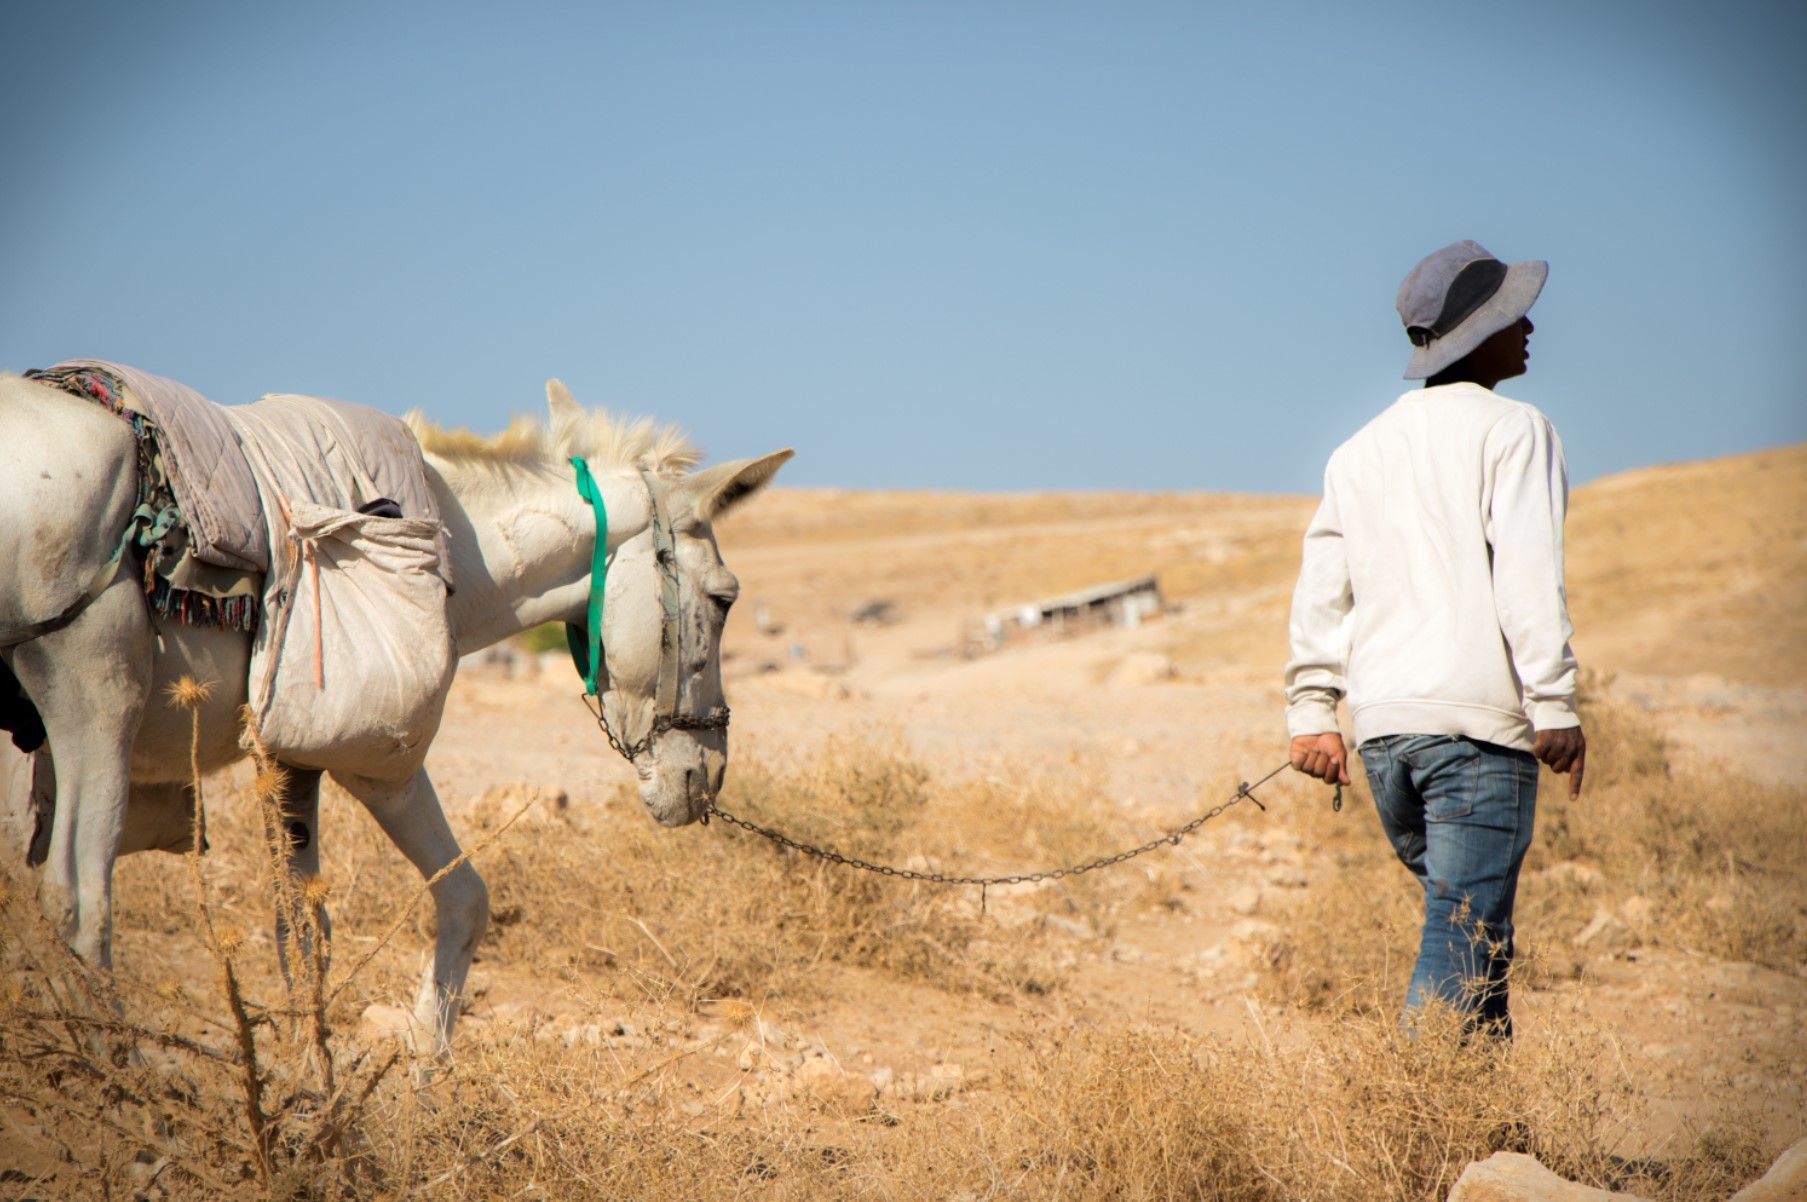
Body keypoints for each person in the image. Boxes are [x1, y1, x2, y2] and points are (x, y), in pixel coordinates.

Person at [1283, 240, 1586, 1038]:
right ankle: (1413, 1110)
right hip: (1472, 734)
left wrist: (1311, 711)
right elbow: (1526, 573)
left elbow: (1321, 588)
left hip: (1384, 738)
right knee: (1462, 935)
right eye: (1509, 315)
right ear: (1474, 333)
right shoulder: (1514, 429)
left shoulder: (1357, 450)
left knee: (1476, 935)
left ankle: (1483, 1146)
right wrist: (1553, 704)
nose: (1527, 327)